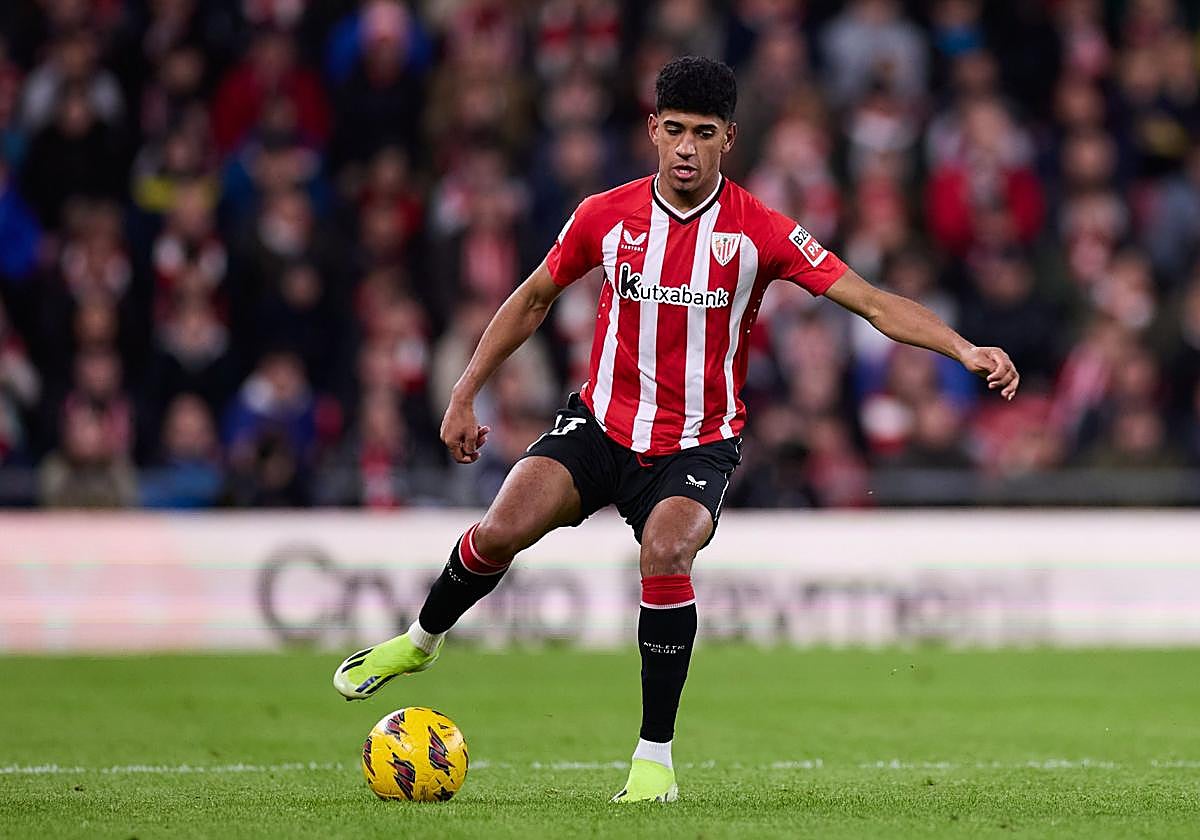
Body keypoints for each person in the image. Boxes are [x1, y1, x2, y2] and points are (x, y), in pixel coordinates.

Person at [333, 57, 1019, 803]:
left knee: (666, 551)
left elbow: (874, 302)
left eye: (703, 133)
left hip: (698, 441)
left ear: (729, 138)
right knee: (499, 529)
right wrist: (465, 394)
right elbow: (532, 298)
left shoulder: (761, 230)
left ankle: (653, 760)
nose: (686, 148)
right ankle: (420, 643)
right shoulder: (605, 215)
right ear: (652, 130)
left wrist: (964, 348)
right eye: (674, 131)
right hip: (598, 425)